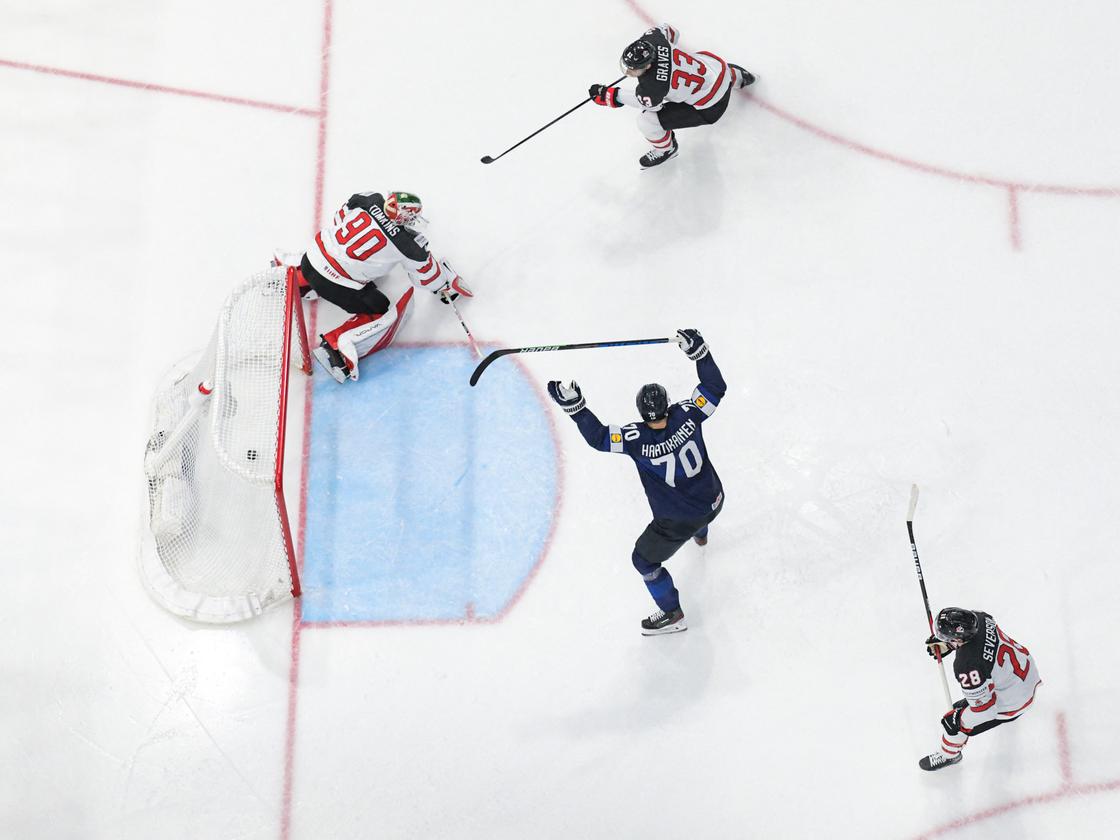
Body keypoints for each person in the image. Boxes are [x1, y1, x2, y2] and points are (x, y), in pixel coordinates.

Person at [546, 329, 726, 635]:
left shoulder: (636, 438)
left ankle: (672, 614)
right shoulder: (688, 414)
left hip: (678, 521)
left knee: (643, 562)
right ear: (668, 404)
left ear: (642, 414)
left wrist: (576, 408)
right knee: (698, 507)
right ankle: (702, 535)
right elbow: (714, 387)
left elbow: (599, 437)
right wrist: (700, 353)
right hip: (715, 500)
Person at [279, 190, 472, 383]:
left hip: (310, 260)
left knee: (328, 258)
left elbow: (339, 218)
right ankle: (336, 349)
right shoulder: (408, 245)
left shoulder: (368, 198)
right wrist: (445, 285)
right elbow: (427, 278)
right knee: (379, 308)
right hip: (334, 284)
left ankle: (296, 280)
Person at [588, 23, 755, 169]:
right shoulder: (654, 37)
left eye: (634, 69)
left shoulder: (653, 87)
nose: (629, 71)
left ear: (647, 66)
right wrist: (668, 54)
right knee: (699, 65)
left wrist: (610, 95)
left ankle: (666, 149)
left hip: (712, 107)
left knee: (646, 121)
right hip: (720, 68)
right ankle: (737, 76)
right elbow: (672, 31)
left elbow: (648, 104)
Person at [919, 607, 1043, 771]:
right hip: (1025, 675)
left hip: (1017, 700)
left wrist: (959, 718)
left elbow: (986, 711)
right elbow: (981, 645)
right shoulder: (982, 618)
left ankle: (949, 754)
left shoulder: (967, 665)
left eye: (946, 638)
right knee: (962, 709)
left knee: (954, 722)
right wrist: (949, 644)